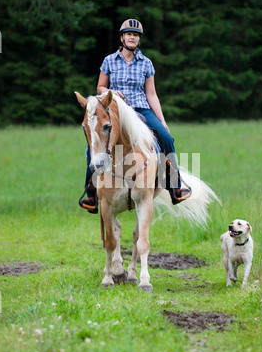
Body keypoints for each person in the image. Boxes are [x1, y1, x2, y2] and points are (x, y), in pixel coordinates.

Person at [80, 19, 191, 212]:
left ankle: (174, 186)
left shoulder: (146, 63)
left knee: (166, 138)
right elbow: (100, 86)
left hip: (140, 109)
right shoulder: (109, 60)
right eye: (129, 34)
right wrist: (111, 94)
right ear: (122, 37)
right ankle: (90, 192)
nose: (132, 37)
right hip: (115, 111)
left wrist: (162, 121)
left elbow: (151, 94)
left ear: (139, 40)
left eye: (136, 35)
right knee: (93, 146)